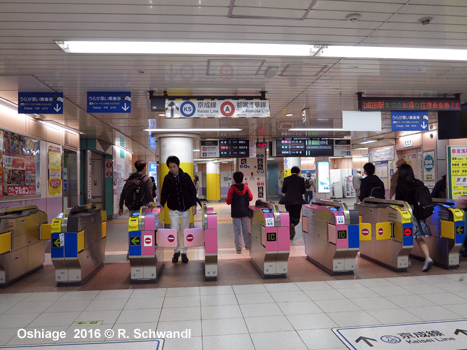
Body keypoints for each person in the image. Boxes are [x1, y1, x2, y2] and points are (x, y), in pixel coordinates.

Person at [395, 163, 434, 272]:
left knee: (406, 237)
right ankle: (428, 258)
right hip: (420, 212)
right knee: (419, 238)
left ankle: (406, 259)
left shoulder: (400, 186)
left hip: (408, 213)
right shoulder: (419, 183)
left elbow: (399, 202)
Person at [160, 156, 197, 264]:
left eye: (174, 166)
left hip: (185, 209)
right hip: (173, 210)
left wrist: (194, 204)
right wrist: (161, 205)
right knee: (174, 230)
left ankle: (184, 253)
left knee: (185, 231)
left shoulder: (185, 177)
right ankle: (176, 251)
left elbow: (192, 191)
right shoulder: (167, 179)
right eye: (170, 167)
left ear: (178, 166)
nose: (172, 169)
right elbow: (163, 193)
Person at [226, 171, 253, 254]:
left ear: (234, 179)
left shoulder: (232, 189)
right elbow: (251, 198)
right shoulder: (246, 187)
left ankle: (238, 248)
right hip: (245, 212)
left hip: (236, 212)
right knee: (246, 229)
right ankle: (248, 245)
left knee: (237, 230)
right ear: (242, 178)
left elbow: (228, 201)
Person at [280, 166, 306, 239]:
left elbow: (283, 190)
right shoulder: (301, 180)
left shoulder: (286, 179)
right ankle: (294, 223)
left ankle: (290, 224)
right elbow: (304, 191)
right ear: (298, 172)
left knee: (289, 214)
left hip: (288, 200)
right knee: (296, 215)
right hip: (298, 201)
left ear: (291, 172)